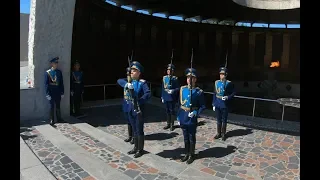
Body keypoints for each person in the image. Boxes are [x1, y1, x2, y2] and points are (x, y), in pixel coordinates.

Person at [117, 61, 151, 158]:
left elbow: (148, 94)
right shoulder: (128, 81)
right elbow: (119, 80)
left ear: (139, 73)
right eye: (131, 70)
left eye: (134, 70)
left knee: (139, 130)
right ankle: (135, 147)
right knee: (134, 129)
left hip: (138, 109)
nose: (132, 72)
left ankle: (140, 149)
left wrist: (139, 101)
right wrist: (126, 84)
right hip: (129, 108)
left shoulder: (142, 83)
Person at [177, 68, 206, 164]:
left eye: (192, 78)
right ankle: (186, 153)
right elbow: (179, 104)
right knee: (185, 136)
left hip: (192, 117)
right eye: (188, 77)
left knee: (191, 136)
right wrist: (178, 116)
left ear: (195, 79)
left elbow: (203, 106)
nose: (189, 79)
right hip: (183, 116)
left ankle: (191, 154)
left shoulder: (198, 92)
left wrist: (196, 113)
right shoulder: (182, 89)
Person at [212, 67, 235, 141]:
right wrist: (213, 104)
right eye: (220, 74)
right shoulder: (216, 82)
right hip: (218, 103)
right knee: (218, 119)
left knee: (224, 120)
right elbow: (214, 93)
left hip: (224, 104)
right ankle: (218, 133)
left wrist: (227, 97)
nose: (221, 76)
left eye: (223, 74)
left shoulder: (229, 83)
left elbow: (233, 93)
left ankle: (223, 134)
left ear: (226, 75)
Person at [44, 57, 64, 126]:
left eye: (57, 63)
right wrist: (47, 94)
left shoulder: (59, 72)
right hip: (51, 92)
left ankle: (59, 118)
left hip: (58, 92)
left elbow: (61, 83)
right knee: (51, 106)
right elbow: (46, 84)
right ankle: (52, 119)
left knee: (58, 106)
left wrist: (62, 92)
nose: (56, 64)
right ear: (51, 64)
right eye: (55, 63)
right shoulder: (47, 72)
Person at [117, 66, 134, 144]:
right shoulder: (125, 81)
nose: (128, 75)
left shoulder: (135, 82)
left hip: (132, 104)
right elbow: (119, 81)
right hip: (126, 104)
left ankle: (134, 137)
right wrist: (126, 84)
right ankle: (130, 136)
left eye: (129, 73)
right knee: (128, 121)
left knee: (133, 121)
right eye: (127, 73)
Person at [161, 64, 180, 131]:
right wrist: (162, 96)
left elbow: (178, 88)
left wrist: (173, 90)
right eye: (168, 70)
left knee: (172, 111)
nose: (169, 71)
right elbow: (163, 88)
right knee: (167, 110)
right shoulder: (164, 78)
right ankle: (168, 123)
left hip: (172, 97)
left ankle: (172, 124)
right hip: (166, 96)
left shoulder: (175, 79)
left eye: (170, 70)